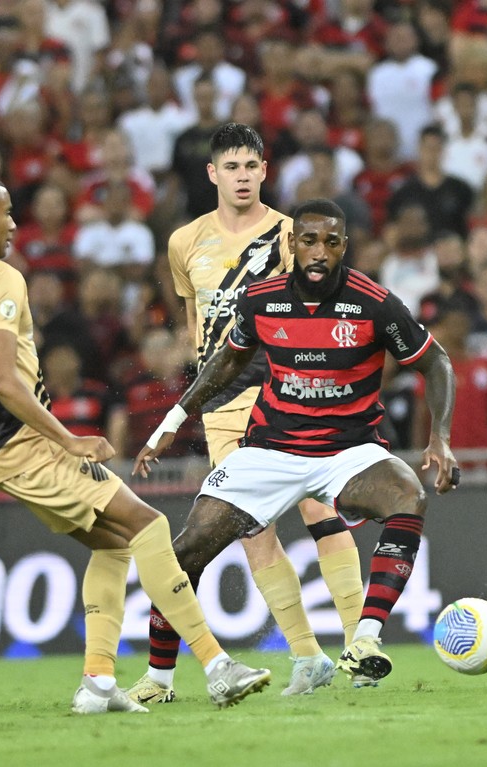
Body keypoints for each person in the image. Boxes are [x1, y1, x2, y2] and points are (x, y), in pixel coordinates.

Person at [0, 170, 270, 715]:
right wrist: (68, 439)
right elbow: (2, 377)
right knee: (149, 524)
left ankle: (97, 683)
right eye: (5, 212)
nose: (14, 223)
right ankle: (217, 666)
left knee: (113, 544)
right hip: (28, 441)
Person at [127, 199, 459, 692]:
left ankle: (365, 639)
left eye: (331, 242)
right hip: (271, 450)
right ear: (291, 243)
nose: (319, 251)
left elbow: (436, 363)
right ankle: (159, 678)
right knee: (185, 552)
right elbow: (227, 360)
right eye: (309, 240)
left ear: (344, 246)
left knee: (408, 495)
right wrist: (175, 418)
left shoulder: (373, 302)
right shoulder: (261, 300)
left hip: (348, 451)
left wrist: (441, 438)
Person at [129, 125, 365, 703]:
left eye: (250, 166)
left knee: (318, 508)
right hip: (223, 404)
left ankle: (361, 645)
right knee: (253, 531)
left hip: (288, 388)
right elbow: (196, 322)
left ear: (264, 171)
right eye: (230, 166)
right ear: (213, 173)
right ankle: (308, 656)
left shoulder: (290, 234)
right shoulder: (184, 242)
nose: (241, 176)